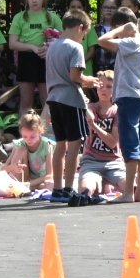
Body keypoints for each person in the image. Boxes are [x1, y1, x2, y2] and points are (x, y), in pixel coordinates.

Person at [98, 10, 140, 203]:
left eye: (117, 28)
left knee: (130, 145)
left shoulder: (132, 42)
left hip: (130, 98)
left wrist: (123, 28)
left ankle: (129, 192)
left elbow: (102, 41)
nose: (116, 32)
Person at [45, 12, 90, 201]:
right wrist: (91, 81)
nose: (83, 37)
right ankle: (69, 188)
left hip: (53, 98)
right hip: (70, 99)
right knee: (74, 146)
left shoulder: (52, 46)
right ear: (80, 27)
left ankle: (57, 188)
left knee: (60, 145)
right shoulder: (76, 47)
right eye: (84, 33)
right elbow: (75, 77)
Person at [7, 0, 62, 114]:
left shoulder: (53, 17)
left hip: (47, 58)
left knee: (47, 100)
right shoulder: (19, 17)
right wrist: (31, 47)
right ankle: (25, 132)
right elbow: (12, 44)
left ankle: (49, 133)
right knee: (26, 102)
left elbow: (63, 40)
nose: (34, 1)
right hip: (26, 59)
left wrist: (49, 48)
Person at [74, 75, 126, 204]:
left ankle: (107, 184)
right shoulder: (91, 107)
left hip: (113, 161)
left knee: (129, 187)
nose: (104, 90)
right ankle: (90, 193)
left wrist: (94, 126)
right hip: (91, 160)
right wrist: (84, 106)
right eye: (101, 86)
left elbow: (113, 142)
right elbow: (88, 115)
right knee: (85, 189)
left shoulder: (117, 111)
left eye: (109, 87)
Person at [5, 110, 54, 191]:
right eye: (25, 136)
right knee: (21, 149)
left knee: (50, 185)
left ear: (40, 132)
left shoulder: (47, 145)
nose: (28, 140)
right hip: (24, 178)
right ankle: (19, 184)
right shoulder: (20, 144)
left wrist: (30, 184)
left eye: (32, 137)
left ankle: (25, 186)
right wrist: (12, 167)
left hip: (41, 180)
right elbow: (4, 169)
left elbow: (50, 175)